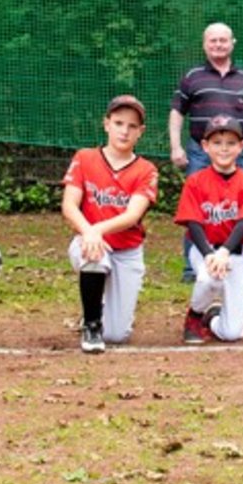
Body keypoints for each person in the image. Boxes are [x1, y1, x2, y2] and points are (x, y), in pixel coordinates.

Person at [169, 23, 243, 280]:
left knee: (237, 211)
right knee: (199, 210)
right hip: (199, 155)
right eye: (213, 40)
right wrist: (175, 146)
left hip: (239, 156)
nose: (218, 45)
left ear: (232, 43)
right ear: (204, 44)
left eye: (223, 40)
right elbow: (177, 112)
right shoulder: (192, 76)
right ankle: (194, 268)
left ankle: (232, 260)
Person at [61, 95, 159, 353]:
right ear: (106, 124)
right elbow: (69, 205)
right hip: (91, 243)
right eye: (118, 123)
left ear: (141, 132)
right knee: (94, 254)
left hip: (127, 251)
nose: (124, 131)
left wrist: (96, 229)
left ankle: (99, 307)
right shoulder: (85, 157)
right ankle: (91, 324)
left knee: (117, 334)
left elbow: (132, 215)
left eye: (132, 126)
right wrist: (89, 233)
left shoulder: (146, 169)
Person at [173, 116, 243, 343]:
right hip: (203, 249)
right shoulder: (196, 181)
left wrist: (224, 251)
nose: (224, 148)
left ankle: (212, 317)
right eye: (217, 142)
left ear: (241, 146)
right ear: (205, 146)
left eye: (231, 143)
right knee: (209, 278)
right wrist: (210, 255)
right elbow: (193, 223)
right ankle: (195, 315)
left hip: (236, 254)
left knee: (232, 333)